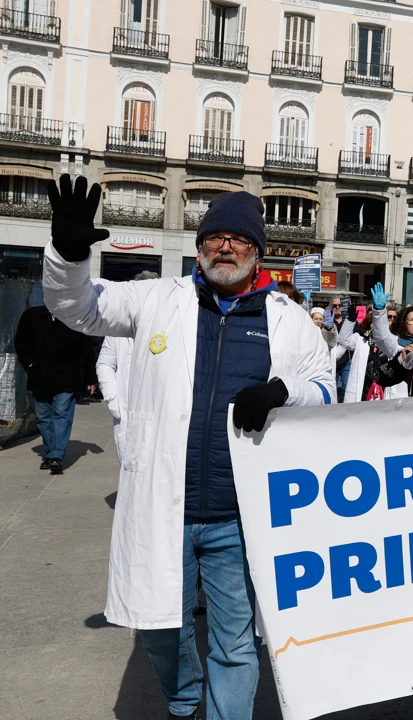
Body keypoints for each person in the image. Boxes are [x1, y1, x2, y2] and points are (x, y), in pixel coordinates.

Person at [40, 175, 335, 720]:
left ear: (257, 250)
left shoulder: (288, 320)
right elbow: (76, 307)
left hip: (237, 518)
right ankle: (182, 700)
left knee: (236, 643)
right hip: (163, 509)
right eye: (214, 237)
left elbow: (324, 390)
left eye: (238, 239)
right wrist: (69, 253)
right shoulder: (157, 299)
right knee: (158, 630)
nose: (225, 246)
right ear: (199, 248)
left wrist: (282, 390)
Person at [14, 301, 97, 474]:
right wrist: (28, 364)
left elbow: (86, 349)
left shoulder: (74, 317)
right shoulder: (32, 315)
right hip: (39, 376)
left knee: (62, 415)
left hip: (66, 376)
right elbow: (20, 343)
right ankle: (50, 453)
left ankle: (56, 457)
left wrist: (91, 377)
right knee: (43, 417)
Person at [95, 270, 159, 463]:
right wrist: (113, 397)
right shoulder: (117, 330)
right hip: (125, 409)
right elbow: (105, 363)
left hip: (158, 410)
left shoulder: (167, 326)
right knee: (127, 462)